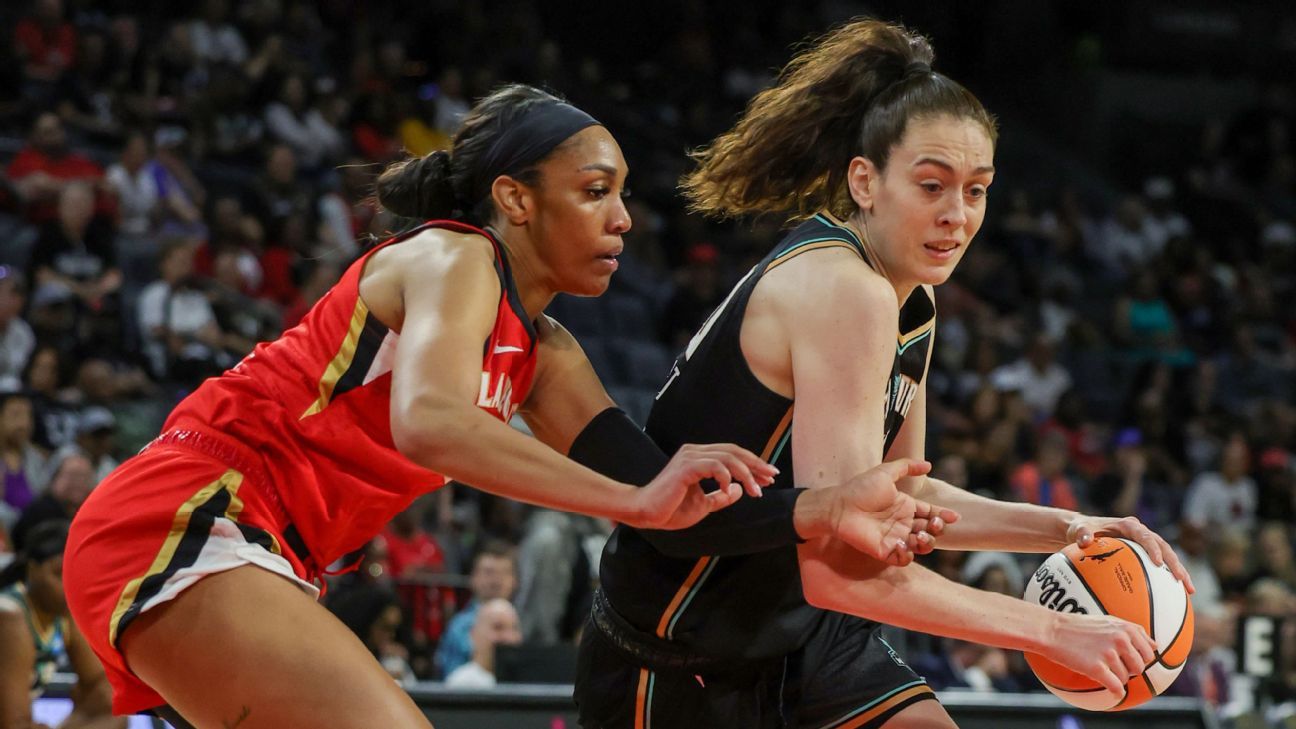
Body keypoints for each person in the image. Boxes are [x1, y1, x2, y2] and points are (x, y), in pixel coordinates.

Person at [62, 83, 925, 729]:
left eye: (623, 194)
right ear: (515, 197)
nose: (624, 218)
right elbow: (430, 420)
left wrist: (823, 505)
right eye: (595, 191)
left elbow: (672, 507)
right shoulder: (452, 257)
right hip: (192, 511)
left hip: (269, 553)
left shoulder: (544, 353)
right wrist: (634, 499)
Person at [573, 19, 1195, 729]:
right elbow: (838, 568)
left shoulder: (911, 297)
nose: (957, 216)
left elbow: (907, 490)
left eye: (977, 190)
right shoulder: (847, 290)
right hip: (682, 650)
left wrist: (1069, 527)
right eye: (932, 186)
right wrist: (1050, 630)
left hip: (800, 635)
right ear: (864, 181)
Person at [0, 520, 123, 729]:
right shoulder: (11, 616)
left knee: (113, 714)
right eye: (58, 574)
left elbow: (103, 691)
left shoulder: (63, 615)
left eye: (75, 575)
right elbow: (12, 723)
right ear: (32, 568)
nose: (68, 586)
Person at [443, 598, 523, 689]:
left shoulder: (528, 682)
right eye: (498, 627)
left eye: (514, 628)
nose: (508, 637)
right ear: (474, 635)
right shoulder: (462, 684)